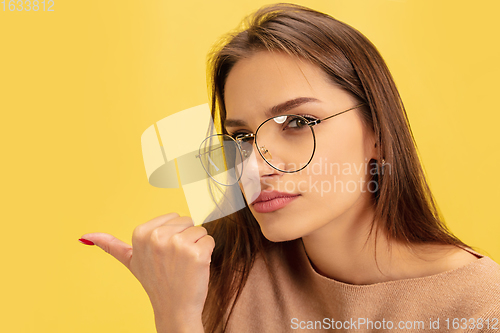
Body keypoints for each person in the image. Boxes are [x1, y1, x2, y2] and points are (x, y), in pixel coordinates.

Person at [79, 3, 500, 332]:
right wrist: (176, 317)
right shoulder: (221, 275)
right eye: (241, 137)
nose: (257, 166)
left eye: (297, 123)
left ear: (377, 132)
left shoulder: (481, 307)